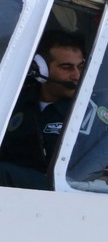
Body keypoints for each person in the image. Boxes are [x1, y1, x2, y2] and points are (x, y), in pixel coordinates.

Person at [0, 30, 86, 189]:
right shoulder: (13, 101)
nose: (76, 76)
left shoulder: (86, 113)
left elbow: (84, 175)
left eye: (80, 67)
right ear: (41, 69)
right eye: (66, 67)